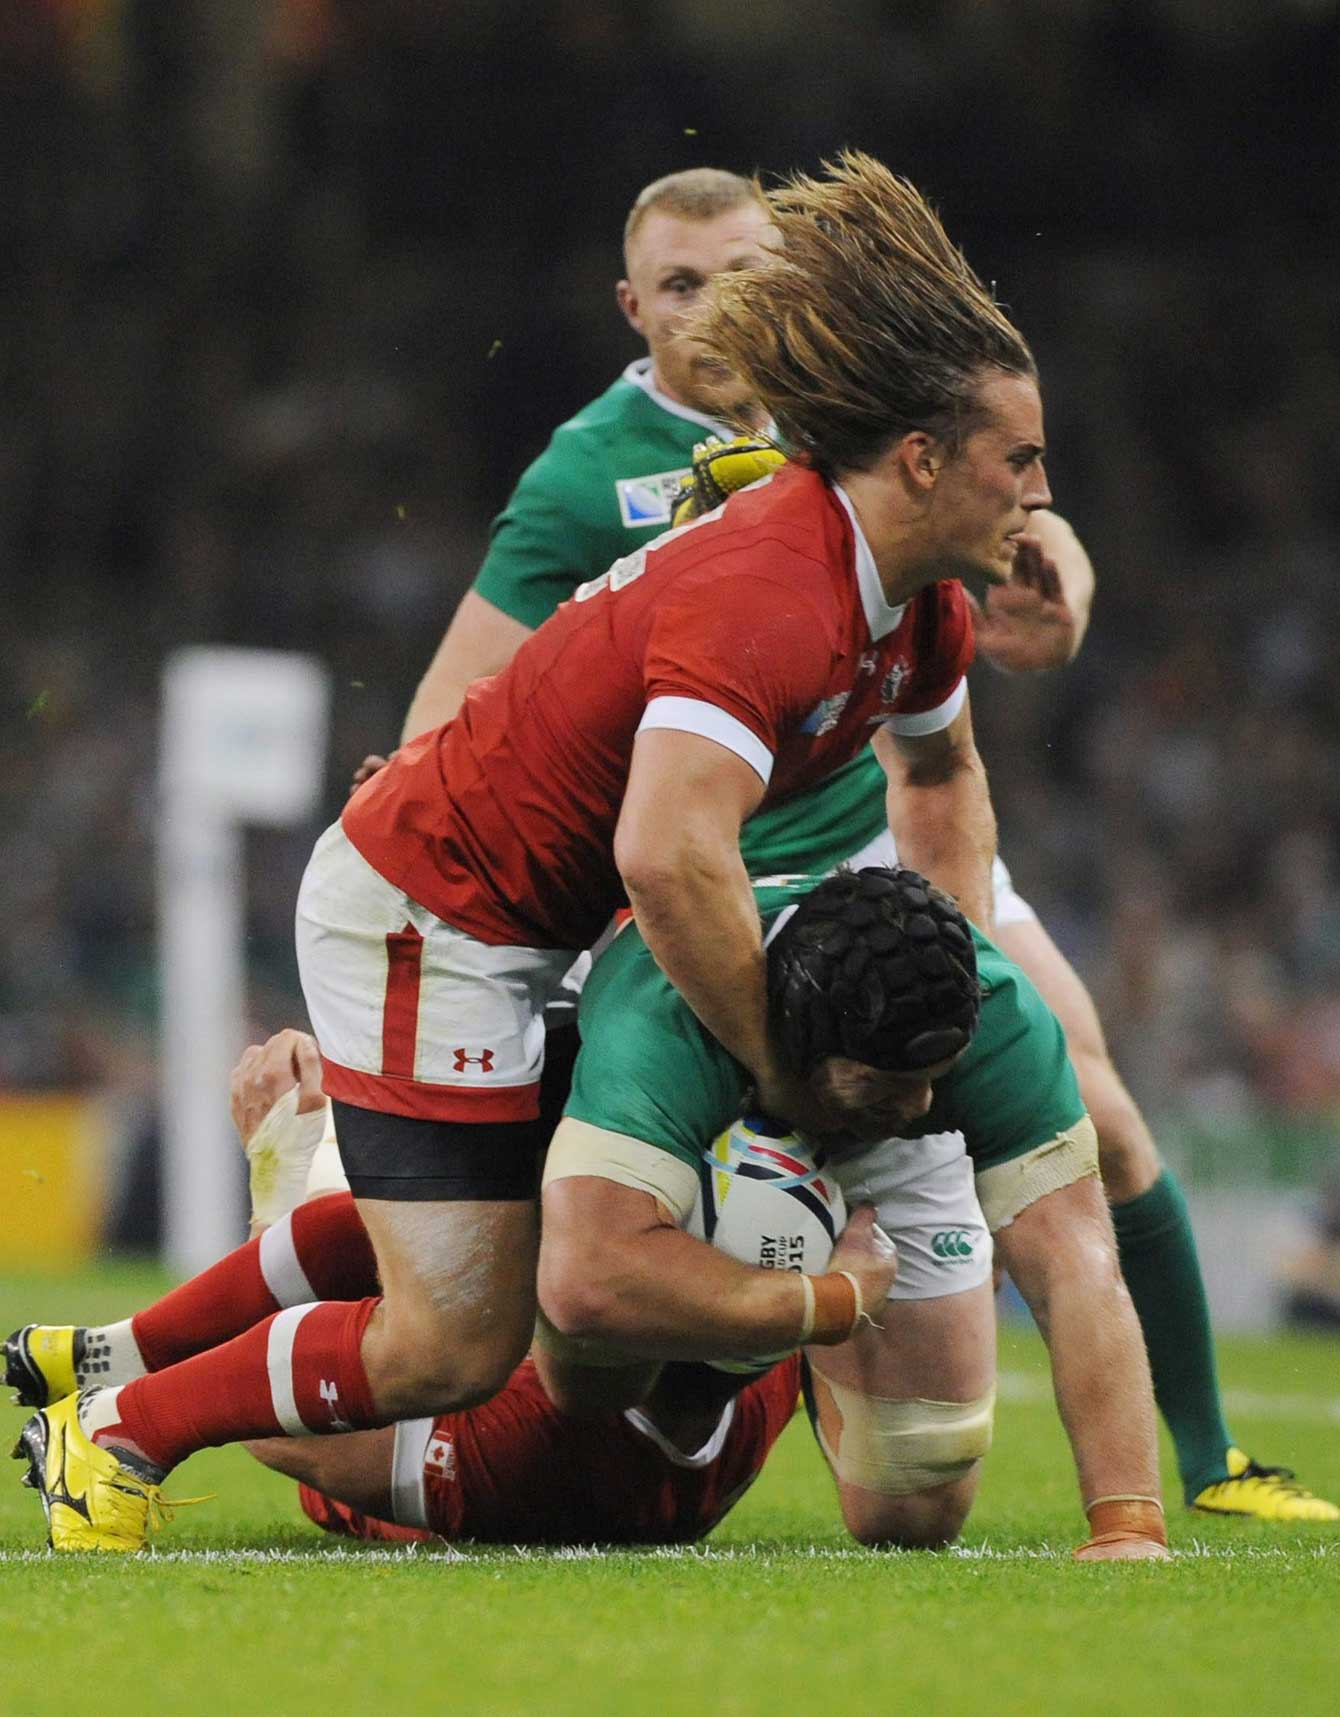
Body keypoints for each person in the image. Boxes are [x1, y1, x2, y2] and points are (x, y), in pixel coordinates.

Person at [15, 152, 1050, 1552]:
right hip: (437, 914)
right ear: (922, 460)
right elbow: (670, 854)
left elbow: (941, 773)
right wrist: (783, 1071)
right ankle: (116, 1438)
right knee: (455, 1337)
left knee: (470, 1237)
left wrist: (953, 966)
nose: (1042, 494)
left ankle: (116, 1361)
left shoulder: (907, 598)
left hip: (526, 921)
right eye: (1026, 461)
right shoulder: (775, 585)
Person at [363, 157, 1332, 1522]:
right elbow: (471, 685)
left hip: (886, 830)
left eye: (747, 277)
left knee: (1094, 1106)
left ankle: (1213, 1461)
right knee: (601, 1173)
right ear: (632, 305)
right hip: (716, 857)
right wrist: (416, 823)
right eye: (683, 286)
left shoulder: (843, 410)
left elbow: (988, 476)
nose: (716, 311)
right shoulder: (589, 476)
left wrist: (1058, 554)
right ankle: (730, 1352)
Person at [11, 869, 1161, 1560]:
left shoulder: (571, 1435)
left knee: (918, 1492)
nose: (918, 1112)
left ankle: (114, 1356)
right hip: (639, 1306)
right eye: (886, 1093)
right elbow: (596, 1282)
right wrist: (828, 1298)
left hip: (606, 1403)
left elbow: (1071, 1261)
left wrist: (1127, 1519)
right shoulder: (671, 1071)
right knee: (429, 1306)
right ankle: (118, 1413)